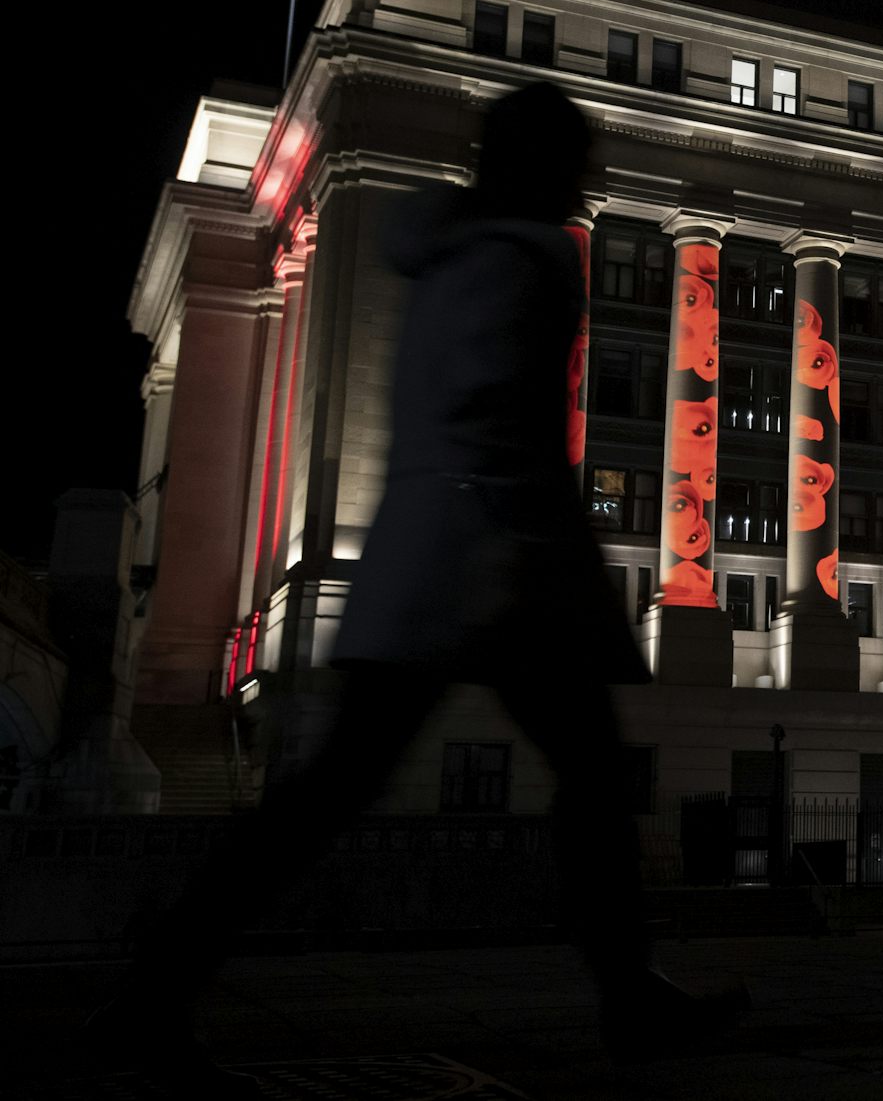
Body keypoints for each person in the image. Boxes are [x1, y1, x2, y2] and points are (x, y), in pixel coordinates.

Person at [88, 82, 721, 1096]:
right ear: (539, 166)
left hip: (424, 557)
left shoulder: (447, 252)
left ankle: (155, 987)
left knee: (335, 791)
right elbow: (499, 403)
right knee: (583, 776)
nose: (587, 178)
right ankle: (629, 996)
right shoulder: (525, 256)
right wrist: (525, 544)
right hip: (495, 561)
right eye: (574, 158)